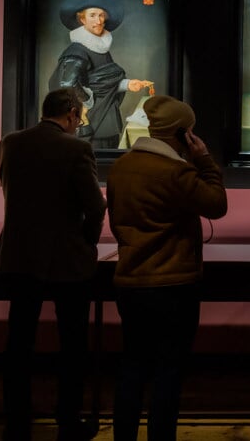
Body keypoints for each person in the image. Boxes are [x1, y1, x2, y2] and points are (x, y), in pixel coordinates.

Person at [106, 95, 228, 441]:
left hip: (130, 283)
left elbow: (116, 221)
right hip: (173, 285)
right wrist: (204, 161)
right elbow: (217, 205)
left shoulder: (120, 167)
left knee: (132, 366)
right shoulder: (175, 171)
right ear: (182, 134)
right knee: (168, 372)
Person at [0, 87, 107, 441]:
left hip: (19, 254)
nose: (81, 121)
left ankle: (17, 423)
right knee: (72, 346)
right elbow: (96, 206)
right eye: (81, 115)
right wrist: (86, 240)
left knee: (18, 344)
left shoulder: (10, 142)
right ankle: (67, 422)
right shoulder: (76, 148)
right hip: (66, 259)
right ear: (71, 112)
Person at [50, 0, 154, 149]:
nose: (98, 21)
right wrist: (86, 100)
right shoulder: (77, 51)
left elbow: (103, 80)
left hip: (107, 119)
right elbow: (66, 84)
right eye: (92, 15)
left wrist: (127, 84)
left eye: (101, 15)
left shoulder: (101, 47)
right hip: (93, 121)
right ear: (82, 19)